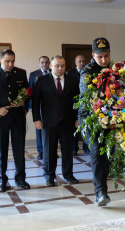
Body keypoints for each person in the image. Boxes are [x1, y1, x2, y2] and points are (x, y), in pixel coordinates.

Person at [0, 49, 30, 192]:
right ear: (0, 59)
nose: (10, 64)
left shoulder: (21, 73)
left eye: (12, 61)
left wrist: (23, 101)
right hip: (1, 117)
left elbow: (27, 93)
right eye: (7, 61)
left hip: (17, 117)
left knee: (19, 148)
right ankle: (1, 180)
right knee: (1, 150)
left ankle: (20, 179)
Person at [32, 55, 80, 187]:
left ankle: (68, 175)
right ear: (51, 66)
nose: (60, 68)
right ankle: (49, 176)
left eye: (62, 66)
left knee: (67, 150)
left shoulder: (72, 80)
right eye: (57, 65)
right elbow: (35, 102)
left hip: (67, 122)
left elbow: (77, 101)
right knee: (49, 151)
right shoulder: (42, 80)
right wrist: (37, 119)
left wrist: (78, 118)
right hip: (48, 122)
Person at [79, 37, 111, 206]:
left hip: (112, 118)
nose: (104, 60)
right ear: (93, 55)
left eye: (106, 56)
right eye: (100, 57)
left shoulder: (116, 69)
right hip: (91, 118)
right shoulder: (87, 71)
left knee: (109, 155)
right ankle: (100, 192)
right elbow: (89, 97)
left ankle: (103, 185)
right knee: (97, 152)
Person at [66, 55, 90, 156]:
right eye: (79, 61)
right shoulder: (70, 73)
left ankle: (86, 148)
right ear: (76, 63)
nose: (82, 63)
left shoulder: (89, 72)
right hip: (74, 103)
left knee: (85, 127)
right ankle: (73, 148)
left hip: (86, 103)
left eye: (84, 61)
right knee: (73, 128)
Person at [28, 56, 51, 160]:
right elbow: (30, 91)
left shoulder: (53, 72)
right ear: (39, 63)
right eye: (42, 62)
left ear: (49, 63)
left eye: (46, 62)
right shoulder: (33, 74)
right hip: (39, 106)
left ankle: (51, 151)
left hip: (51, 106)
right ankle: (41, 152)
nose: (44, 64)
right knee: (39, 129)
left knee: (51, 129)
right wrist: (31, 106)